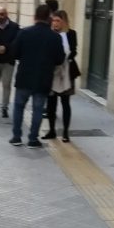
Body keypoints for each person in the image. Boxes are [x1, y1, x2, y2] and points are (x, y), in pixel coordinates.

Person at [9, 3, 65, 148]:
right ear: (49, 18)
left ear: (35, 17)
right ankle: (33, 139)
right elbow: (60, 59)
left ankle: (16, 137)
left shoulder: (24, 33)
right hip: (43, 79)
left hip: (24, 77)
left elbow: (14, 53)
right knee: (38, 109)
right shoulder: (55, 37)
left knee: (19, 106)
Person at [43, 10, 78, 143]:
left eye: (58, 20)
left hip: (67, 72)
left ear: (64, 21)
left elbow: (74, 50)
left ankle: (65, 132)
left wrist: (66, 57)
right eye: (53, 20)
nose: (55, 23)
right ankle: (51, 130)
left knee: (65, 103)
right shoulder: (49, 34)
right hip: (52, 72)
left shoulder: (71, 33)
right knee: (51, 103)